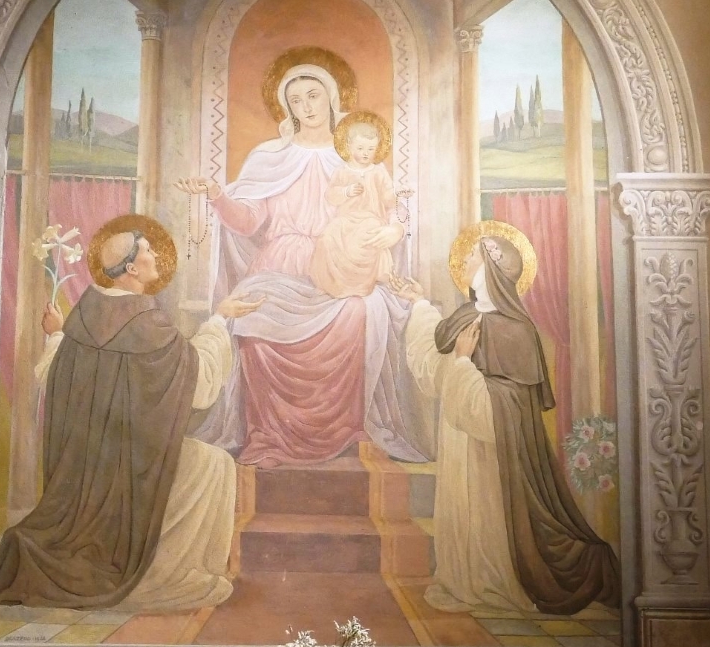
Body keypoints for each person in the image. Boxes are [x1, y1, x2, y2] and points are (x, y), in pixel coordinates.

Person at [0, 225, 262, 611]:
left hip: (86, 471)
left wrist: (57, 335)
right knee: (216, 464)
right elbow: (199, 381)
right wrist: (219, 319)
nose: (156, 256)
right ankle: (163, 571)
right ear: (131, 268)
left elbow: (56, 376)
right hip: (133, 466)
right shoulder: (146, 323)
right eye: (148, 250)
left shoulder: (85, 313)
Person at [175, 63, 423, 468]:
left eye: (312, 96)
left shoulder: (356, 158)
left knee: (360, 313)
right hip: (279, 263)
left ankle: (348, 430)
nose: (305, 106)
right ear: (286, 108)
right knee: (254, 320)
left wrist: (392, 230)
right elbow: (248, 222)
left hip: (339, 263)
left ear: (331, 98)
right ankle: (267, 435)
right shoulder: (270, 158)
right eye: (295, 100)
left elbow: (385, 210)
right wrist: (218, 195)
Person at [393, 233, 620, 616]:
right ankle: (464, 581)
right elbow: (435, 370)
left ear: (491, 269)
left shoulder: (517, 330)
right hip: (458, 439)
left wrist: (463, 364)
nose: (465, 263)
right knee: (461, 513)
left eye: (472, 257)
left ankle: (493, 584)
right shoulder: (466, 317)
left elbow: (507, 406)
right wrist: (419, 304)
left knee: (486, 516)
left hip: (494, 456)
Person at [309, 113, 404, 299]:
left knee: (363, 242)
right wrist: (346, 191)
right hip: (345, 221)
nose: (366, 153)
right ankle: (331, 284)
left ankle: (358, 287)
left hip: (370, 220)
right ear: (349, 146)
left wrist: (394, 195)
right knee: (327, 238)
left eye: (371, 148)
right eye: (360, 148)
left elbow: (388, 199)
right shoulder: (341, 171)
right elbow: (330, 196)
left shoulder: (378, 172)